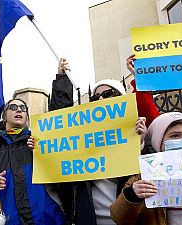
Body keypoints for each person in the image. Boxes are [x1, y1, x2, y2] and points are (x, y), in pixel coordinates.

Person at [48, 57, 147, 225]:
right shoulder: (83, 137)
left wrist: (140, 144)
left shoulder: (139, 133)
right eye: (95, 97)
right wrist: (62, 79)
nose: (100, 100)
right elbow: (61, 123)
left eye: (108, 94)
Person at [0, 98, 65, 225]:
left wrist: (43, 150)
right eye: (13, 107)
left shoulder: (39, 139)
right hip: (5, 220)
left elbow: (62, 170)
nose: (19, 110)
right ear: (4, 116)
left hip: (46, 219)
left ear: (26, 116)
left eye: (23, 108)